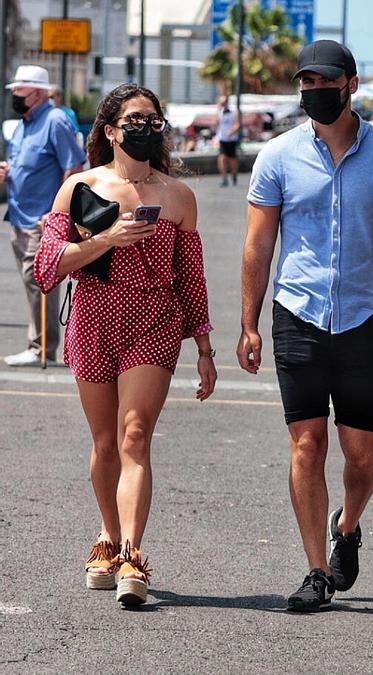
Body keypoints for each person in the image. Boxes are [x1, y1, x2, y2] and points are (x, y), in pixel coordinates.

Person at [238, 40, 373, 612]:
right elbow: (258, 243)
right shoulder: (277, 156)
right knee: (307, 444)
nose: (315, 92)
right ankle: (316, 570)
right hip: (297, 316)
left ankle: (349, 524)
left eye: (326, 82)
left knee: (362, 456)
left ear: (351, 85)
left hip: (361, 318)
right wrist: (248, 324)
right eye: (306, 83)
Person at [32, 83, 216, 607]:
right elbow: (48, 268)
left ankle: (133, 554)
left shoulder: (178, 196)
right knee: (105, 443)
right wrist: (106, 239)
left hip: (153, 319)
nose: (144, 128)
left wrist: (203, 348)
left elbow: (190, 279)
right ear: (110, 130)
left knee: (135, 435)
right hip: (93, 316)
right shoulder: (79, 188)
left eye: (152, 120)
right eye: (133, 120)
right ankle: (109, 538)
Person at [2, 65, 84, 367]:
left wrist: (58, 212)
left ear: (36, 93)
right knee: (31, 283)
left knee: (38, 280)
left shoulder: (55, 121)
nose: (14, 95)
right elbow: (27, 162)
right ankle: (39, 343)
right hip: (20, 215)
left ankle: (42, 347)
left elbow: (73, 166)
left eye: (19, 91)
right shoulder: (24, 123)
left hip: (41, 219)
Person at [215, 94, 240, 187]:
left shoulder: (234, 111)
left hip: (232, 139)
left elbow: (237, 124)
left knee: (232, 159)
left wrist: (232, 131)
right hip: (222, 138)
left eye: (224, 102)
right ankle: (224, 177)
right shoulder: (219, 112)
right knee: (222, 158)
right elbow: (215, 123)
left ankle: (234, 175)